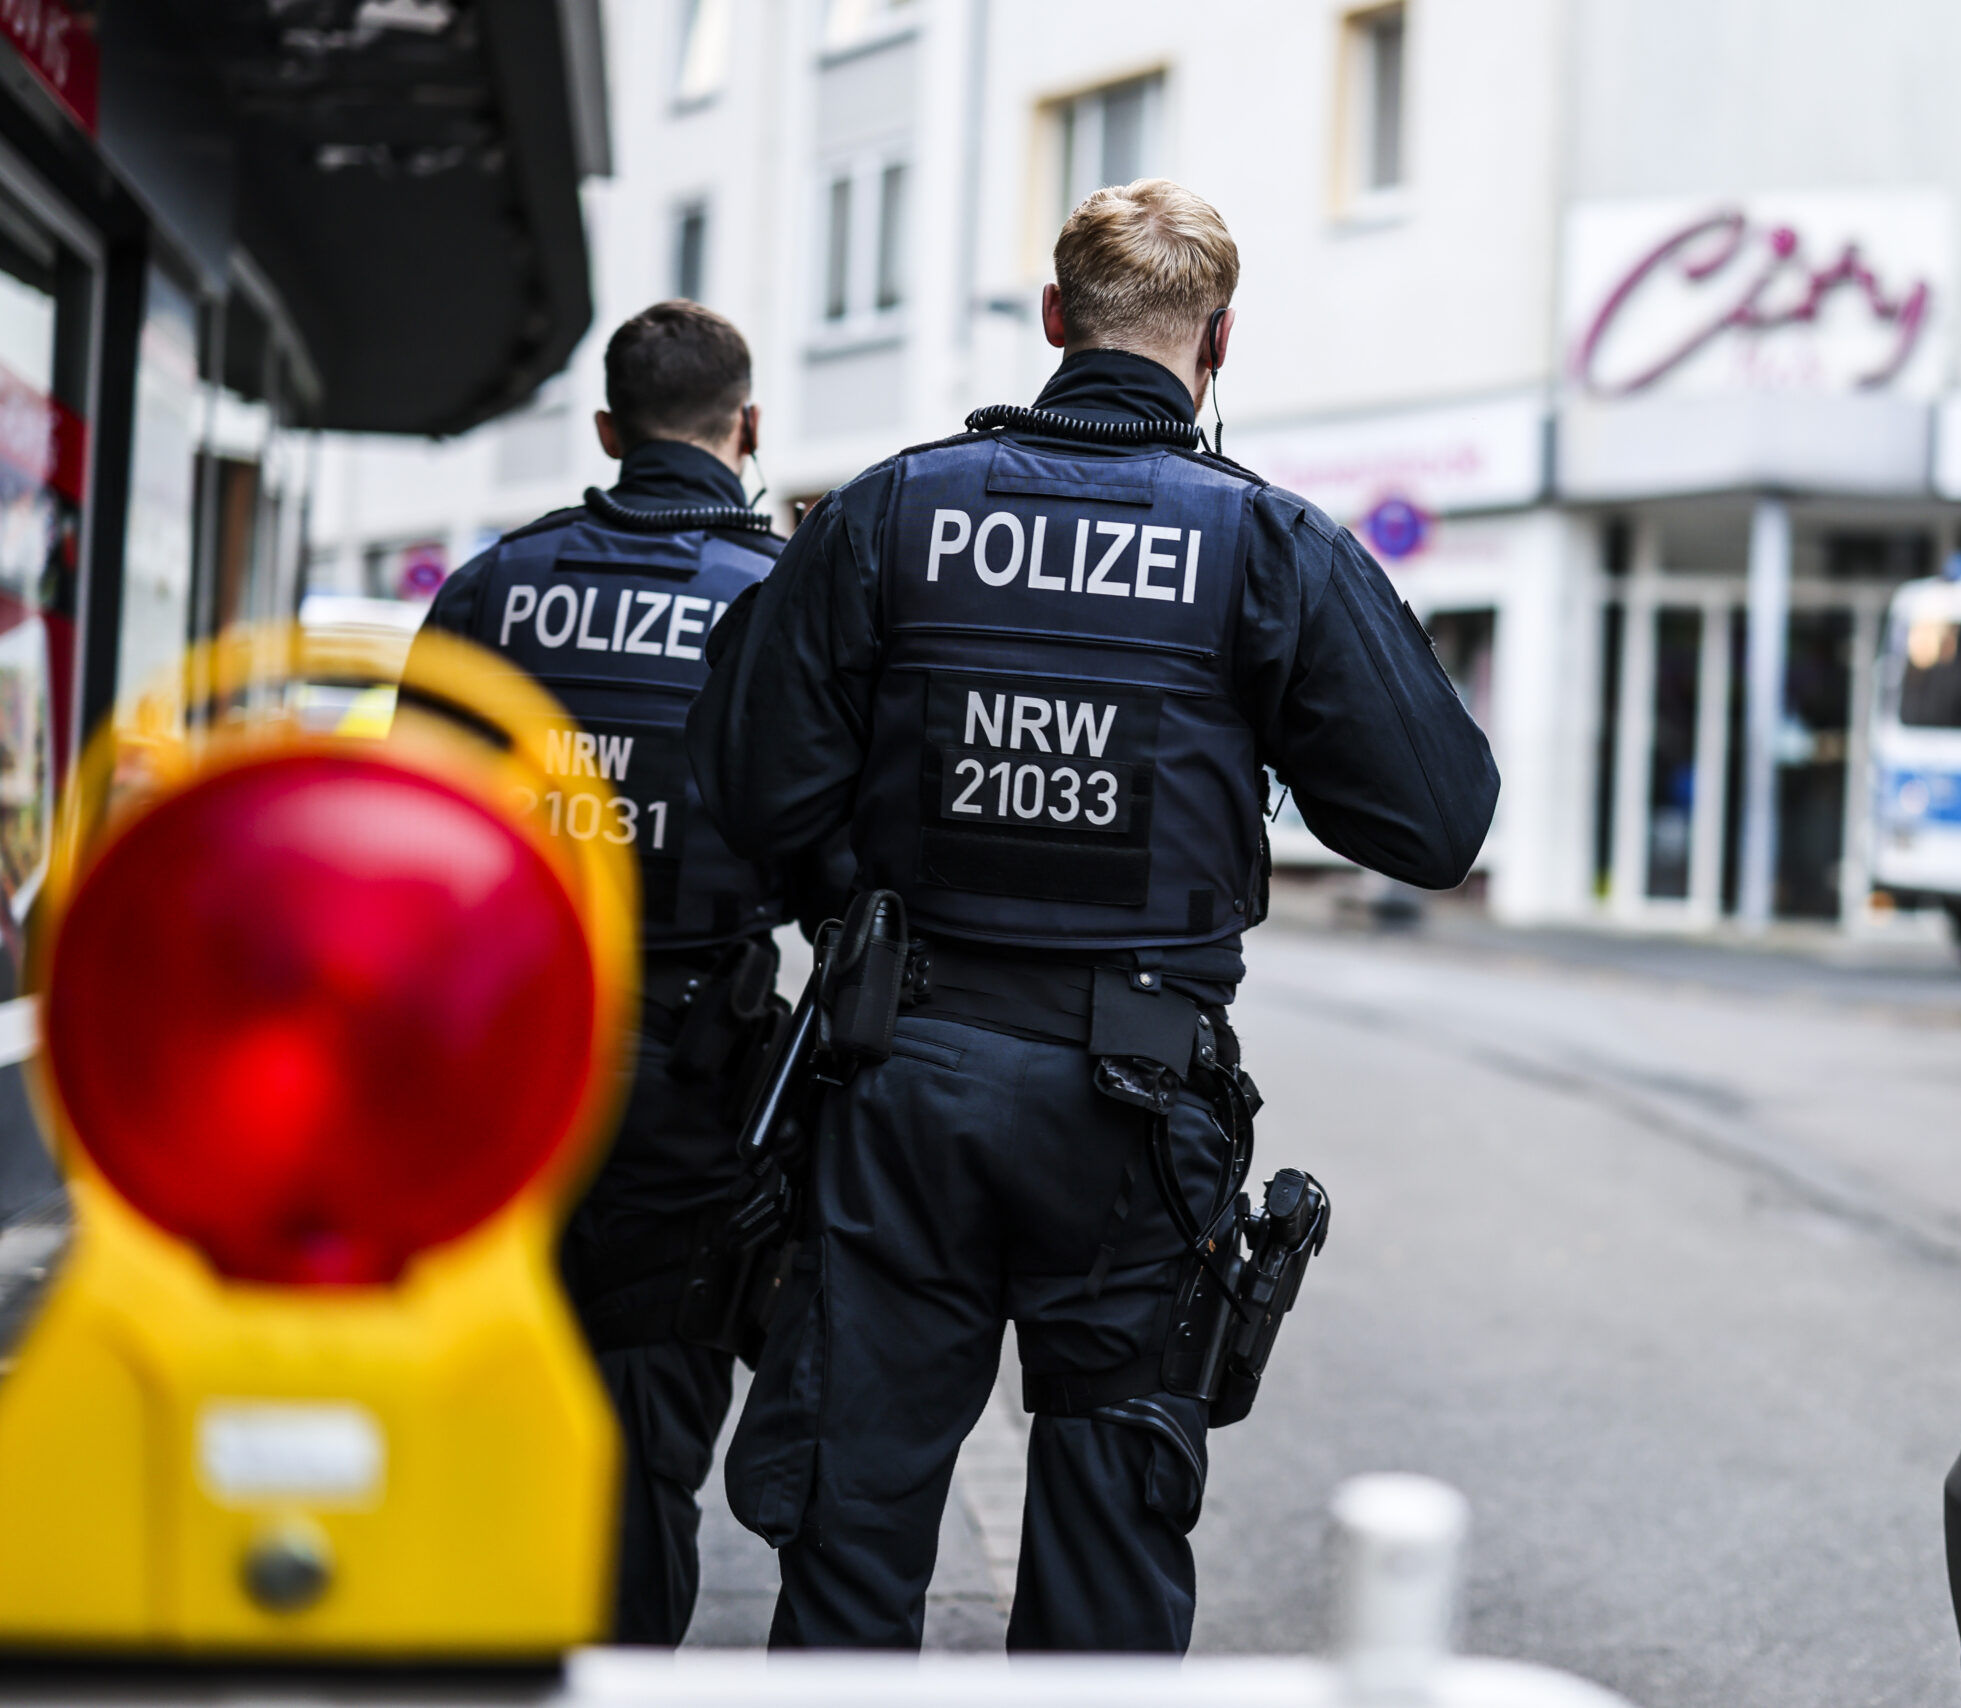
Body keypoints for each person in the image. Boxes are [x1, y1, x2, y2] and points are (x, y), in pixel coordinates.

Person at [687, 178, 1498, 1653]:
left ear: (1055, 321)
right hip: (1135, 1108)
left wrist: (864, 913)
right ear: (1220, 342)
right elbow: (1436, 825)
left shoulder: (888, 510)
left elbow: (748, 783)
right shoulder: (1267, 548)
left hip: (901, 1079)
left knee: (855, 1534)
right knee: (1107, 1563)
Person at [410, 300, 802, 1643]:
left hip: (492, 1064)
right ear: (744, 431)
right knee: (642, 1445)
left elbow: (416, 831)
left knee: (475, 1396)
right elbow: (827, 846)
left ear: (604, 430)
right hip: (690, 1082)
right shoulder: (773, 597)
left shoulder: (492, 586)